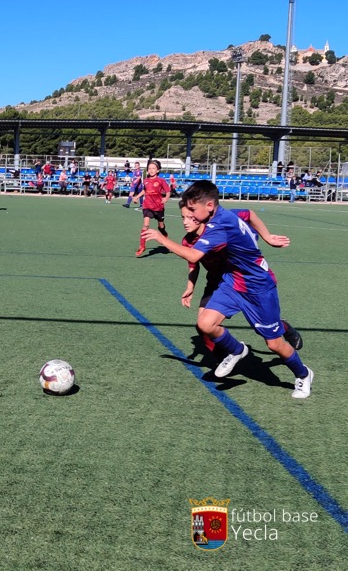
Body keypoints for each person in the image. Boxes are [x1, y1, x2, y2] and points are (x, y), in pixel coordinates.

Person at [141, 180, 314, 398]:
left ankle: (303, 374)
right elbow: (250, 213)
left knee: (274, 344)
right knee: (205, 323)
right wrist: (268, 237)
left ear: (209, 206)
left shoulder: (218, 227)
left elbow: (193, 255)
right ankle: (237, 350)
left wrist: (161, 239)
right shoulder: (228, 214)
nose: (190, 216)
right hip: (232, 281)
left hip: (258, 287)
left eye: (193, 210)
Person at [177, 200, 303, 361]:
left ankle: (282, 327)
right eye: (183, 217)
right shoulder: (188, 241)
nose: (186, 221)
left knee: (260, 324)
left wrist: (267, 237)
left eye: (191, 216)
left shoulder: (225, 219)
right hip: (215, 282)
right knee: (203, 326)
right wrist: (190, 287)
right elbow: (193, 264)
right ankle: (225, 359)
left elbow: (249, 214)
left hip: (238, 278)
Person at [133, 159, 170, 257]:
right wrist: (137, 197)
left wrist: (166, 198)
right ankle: (142, 246)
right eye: (149, 168)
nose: (151, 170)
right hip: (147, 205)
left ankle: (164, 234)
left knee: (161, 226)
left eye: (153, 168)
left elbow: (168, 191)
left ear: (158, 170)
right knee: (145, 225)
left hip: (158, 207)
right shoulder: (145, 181)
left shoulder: (161, 181)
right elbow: (144, 191)